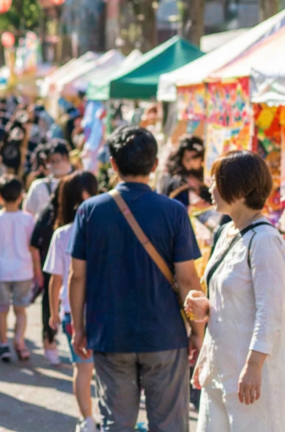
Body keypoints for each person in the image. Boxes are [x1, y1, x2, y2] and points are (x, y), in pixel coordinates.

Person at [69, 126, 204, 432]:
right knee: (169, 424)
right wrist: (197, 331)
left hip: (110, 333)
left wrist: (79, 327)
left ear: (113, 164)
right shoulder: (174, 212)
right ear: (155, 165)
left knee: (117, 424)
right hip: (164, 334)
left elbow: (77, 276)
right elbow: (187, 279)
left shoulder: (90, 211)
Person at [184, 151, 285, 431]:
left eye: (217, 181)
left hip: (250, 376)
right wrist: (206, 306)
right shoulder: (224, 232)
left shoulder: (264, 240)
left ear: (240, 189)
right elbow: (229, 300)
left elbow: (271, 311)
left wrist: (254, 366)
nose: (210, 189)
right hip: (218, 369)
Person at [44, 171, 100, 432]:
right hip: (103, 310)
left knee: (82, 368)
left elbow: (55, 280)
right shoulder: (104, 229)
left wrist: (53, 312)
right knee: (108, 369)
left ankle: (87, 419)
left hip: (71, 311)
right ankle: (109, 417)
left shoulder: (62, 234)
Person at [0, 175, 39, 363]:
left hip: (0, 271)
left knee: (2, 309)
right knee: (21, 310)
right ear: (21, 196)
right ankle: (19, 341)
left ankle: (3, 344)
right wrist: (37, 271)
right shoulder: (28, 219)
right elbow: (33, 248)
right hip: (23, 271)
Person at [27, 140, 73, 366]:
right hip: (47, 248)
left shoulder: (76, 181)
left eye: (60, 160)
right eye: (52, 161)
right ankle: (50, 340)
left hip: (71, 246)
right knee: (50, 296)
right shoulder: (39, 187)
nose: (56, 165)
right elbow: (28, 217)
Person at [162, 135, 210, 208]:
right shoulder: (176, 181)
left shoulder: (203, 175)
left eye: (195, 157)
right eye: (187, 159)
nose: (191, 162)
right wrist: (192, 206)